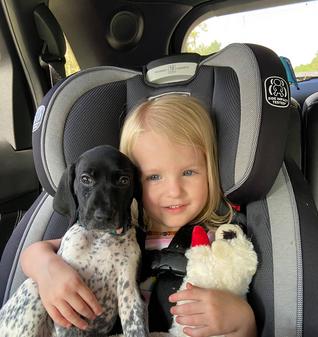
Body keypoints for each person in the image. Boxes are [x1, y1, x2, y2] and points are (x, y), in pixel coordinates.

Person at [20, 94, 257, 337]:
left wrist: (243, 320)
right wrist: (47, 268)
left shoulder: (222, 240)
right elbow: (36, 252)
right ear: (133, 183)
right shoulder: (119, 232)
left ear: (211, 171)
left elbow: (243, 325)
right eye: (154, 177)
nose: (174, 191)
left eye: (188, 172)